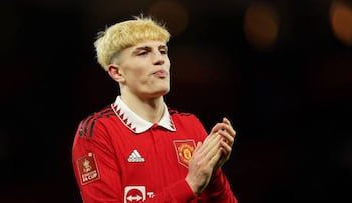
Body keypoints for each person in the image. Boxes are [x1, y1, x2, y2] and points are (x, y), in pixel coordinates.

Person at [72, 15, 239, 203]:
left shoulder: (190, 125)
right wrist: (190, 185)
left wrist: (213, 174)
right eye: (143, 53)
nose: (159, 59)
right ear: (117, 72)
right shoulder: (97, 132)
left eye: (162, 51)